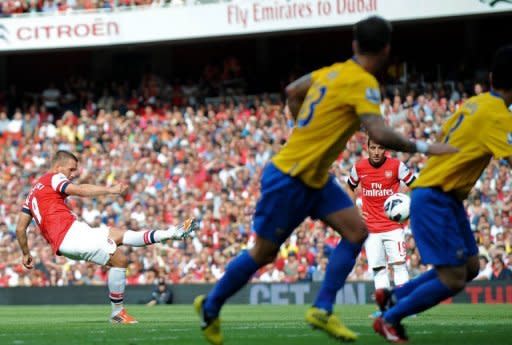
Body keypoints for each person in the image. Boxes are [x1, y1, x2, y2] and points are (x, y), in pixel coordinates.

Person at [194, 16, 456, 345]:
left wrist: (302, 131)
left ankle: (322, 308)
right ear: (387, 49)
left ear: (354, 45)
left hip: (314, 178)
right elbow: (377, 131)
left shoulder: (331, 72)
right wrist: (425, 147)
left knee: (357, 230)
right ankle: (210, 305)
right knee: (263, 253)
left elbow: (293, 91)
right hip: (290, 177)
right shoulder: (363, 82)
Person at [373, 45, 512, 343]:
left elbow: (442, 138)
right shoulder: (499, 116)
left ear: (490, 78)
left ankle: (393, 297)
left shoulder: (474, 104)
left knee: (471, 267)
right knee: (452, 278)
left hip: (442, 195)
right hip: (437, 196)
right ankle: (390, 318)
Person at [16, 150, 198, 323]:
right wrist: (110, 190)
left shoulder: (33, 193)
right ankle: (117, 313)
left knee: (119, 234)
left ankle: (172, 233)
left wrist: (25, 253)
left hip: (72, 234)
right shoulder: (54, 178)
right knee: (120, 260)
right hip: (71, 235)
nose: (72, 174)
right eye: (71, 169)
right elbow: (78, 190)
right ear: (58, 167)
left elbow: (20, 228)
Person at [347, 138, 415, 291]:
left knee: (399, 265)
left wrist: (404, 198)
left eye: (380, 148)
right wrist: (355, 211)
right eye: (373, 148)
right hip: (370, 228)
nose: (376, 152)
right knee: (378, 269)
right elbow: (350, 187)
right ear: (367, 148)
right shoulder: (359, 167)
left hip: (393, 226)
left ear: (386, 149)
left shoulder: (397, 166)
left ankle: (404, 305)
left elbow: (415, 184)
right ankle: (385, 308)